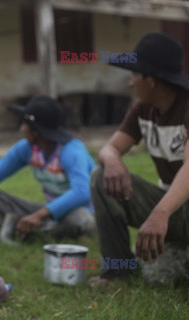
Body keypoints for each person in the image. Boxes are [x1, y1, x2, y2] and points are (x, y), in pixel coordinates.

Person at [90, 32, 189, 283]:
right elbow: (109, 149)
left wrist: (160, 213)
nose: (130, 82)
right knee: (101, 177)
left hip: (176, 207)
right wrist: (112, 160)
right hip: (173, 207)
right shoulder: (142, 109)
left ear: (152, 80)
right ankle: (118, 272)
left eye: (135, 74)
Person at [0, 96, 96, 244]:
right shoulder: (26, 149)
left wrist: (39, 216)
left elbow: (82, 192)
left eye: (25, 124)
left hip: (82, 211)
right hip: (49, 211)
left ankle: (30, 229)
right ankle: (38, 227)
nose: (21, 129)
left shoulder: (71, 151)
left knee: (81, 220)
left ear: (36, 131)